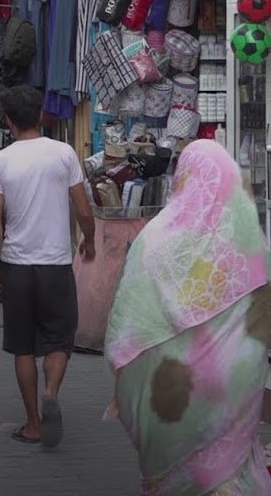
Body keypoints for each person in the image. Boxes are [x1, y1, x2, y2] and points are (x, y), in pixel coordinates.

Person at [106, 140, 271, 493]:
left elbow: (128, 325)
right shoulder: (252, 244)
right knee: (228, 472)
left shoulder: (153, 239)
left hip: (170, 398)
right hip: (232, 391)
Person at [0, 85, 95, 447]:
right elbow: (82, 209)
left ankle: (32, 424)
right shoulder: (63, 154)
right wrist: (89, 240)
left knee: (23, 347)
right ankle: (51, 391)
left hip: (17, 265)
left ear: (9, 121)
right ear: (40, 116)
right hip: (55, 264)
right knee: (59, 339)